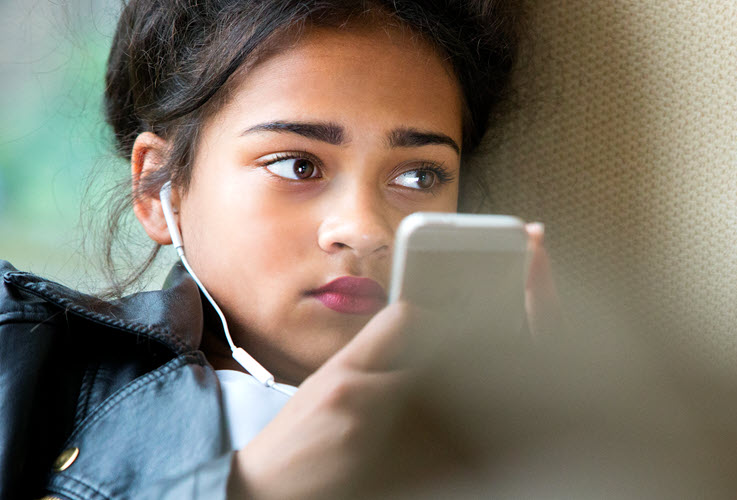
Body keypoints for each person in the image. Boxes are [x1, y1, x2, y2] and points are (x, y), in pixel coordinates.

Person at [0, 0, 566, 497]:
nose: (364, 228)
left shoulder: (504, 430)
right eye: (299, 165)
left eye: (418, 176)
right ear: (158, 188)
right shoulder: (24, 357)